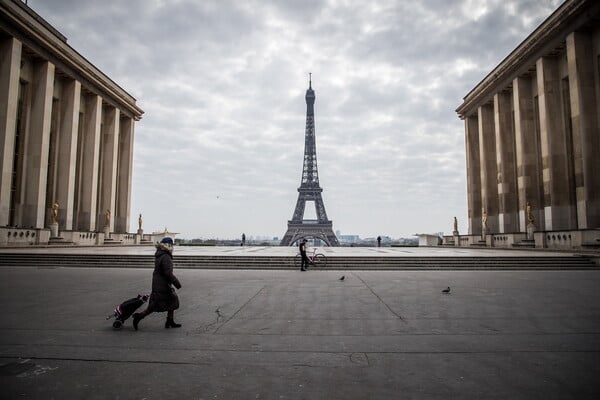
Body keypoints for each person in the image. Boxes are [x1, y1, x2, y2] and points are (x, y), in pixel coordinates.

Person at [133, 237, 182, 330]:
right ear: (169, 246)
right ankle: (139, 316)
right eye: (172, 245)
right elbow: (168, 273)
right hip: (162, 284)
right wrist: (177, 283)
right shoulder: (166, 256)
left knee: (172, 300)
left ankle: (170, 321)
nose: (173, 247)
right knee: (155, 305)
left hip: (159, 282)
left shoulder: (161, 254)